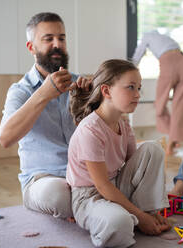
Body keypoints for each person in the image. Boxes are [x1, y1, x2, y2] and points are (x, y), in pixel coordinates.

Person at [67, 59, 171, 247]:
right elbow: (102, 186)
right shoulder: (90, 130)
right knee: (119, 224)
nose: (138, 94)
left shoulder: (123, 123)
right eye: (131, 87)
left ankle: (146, 211)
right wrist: (138, 216)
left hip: (115, 186)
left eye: (139, 88)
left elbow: (136, 167)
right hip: (90, 197)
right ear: (106, 91)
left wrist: (145, 212)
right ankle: (130, 217)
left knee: (152, 148)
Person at [0, 12, 89, 219]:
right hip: (44, 180)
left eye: (62, 38)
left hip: (86, 175)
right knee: (58, 195)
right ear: (31, 47)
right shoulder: (20, 90)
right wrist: (43, 94)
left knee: (147, 152)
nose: (57, 44)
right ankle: (94, 207)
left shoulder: (80, 84)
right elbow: (5, 138)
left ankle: (91, 207)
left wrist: (92, 106)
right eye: (48, 39)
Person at [131, 30, 183, 155]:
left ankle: (171, 141)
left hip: (169, 61)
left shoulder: (146, 35)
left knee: (160, 103)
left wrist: (129, 68)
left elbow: (139, 54)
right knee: (181, 105)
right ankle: (174, 138)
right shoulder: (165, 37)